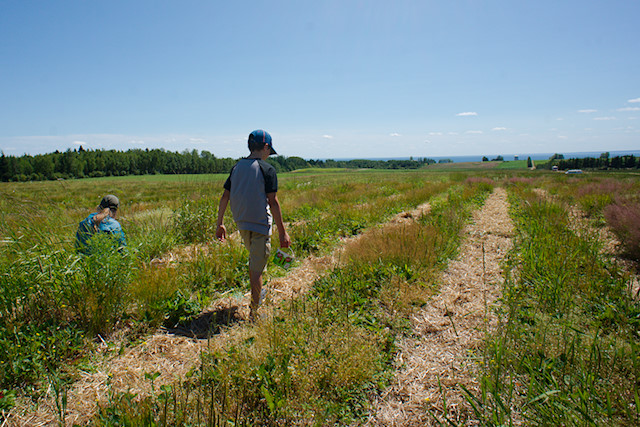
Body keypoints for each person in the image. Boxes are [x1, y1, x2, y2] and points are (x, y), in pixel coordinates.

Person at [216, 129, 291, 319]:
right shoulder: (267, 170)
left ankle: (259, 292)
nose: (268, 154)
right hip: (260, 225)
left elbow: (225, 196)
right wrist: (283, 232)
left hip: (242, 224)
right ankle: (254, 313)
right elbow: (273, 202)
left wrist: (220, 223)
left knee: (257, 260)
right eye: (269, 150)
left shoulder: (236, 167)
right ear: (265, 147)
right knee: (256, 268)